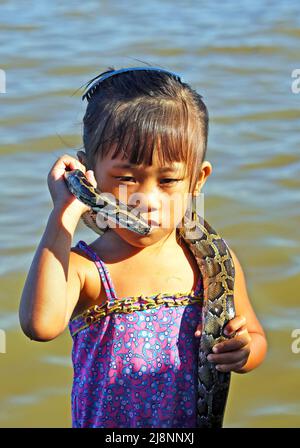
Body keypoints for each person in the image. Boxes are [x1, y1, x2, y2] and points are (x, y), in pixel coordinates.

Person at [19, 66, 267, 428]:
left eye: (167, 180)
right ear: (89, 173)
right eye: (125, 178)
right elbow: (39, 325)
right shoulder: (86, 268)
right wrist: (63, 215)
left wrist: (243, 351)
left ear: (198, 179)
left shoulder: (215, 261)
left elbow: (255, 339)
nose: (145, 200)